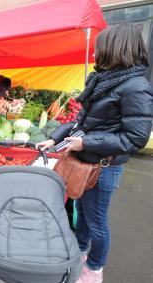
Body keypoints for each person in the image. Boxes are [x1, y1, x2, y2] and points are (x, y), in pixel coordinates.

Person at [37, 23, 153, 283]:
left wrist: (87, 143)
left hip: (104, 167)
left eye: (99, 49)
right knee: (82, 209)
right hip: (85, 163)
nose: (94, 55)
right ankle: (78, 252)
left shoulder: (135, 87)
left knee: (96, 221)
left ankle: (94, 269)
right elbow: (81, 121)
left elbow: (135, 138)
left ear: (116, 50)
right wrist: (53, 138)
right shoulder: (103, 80)